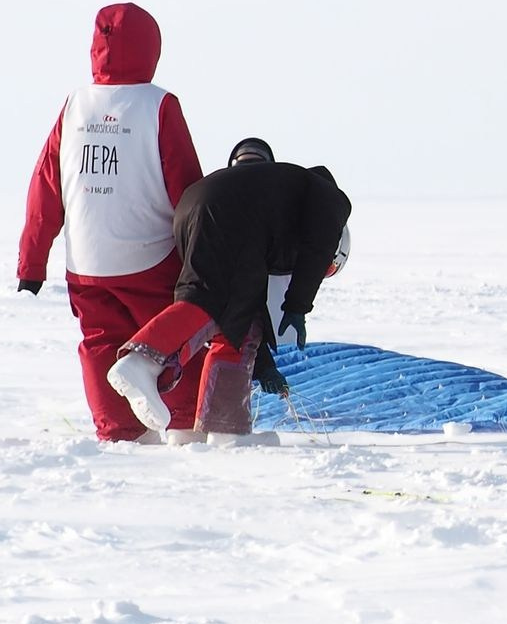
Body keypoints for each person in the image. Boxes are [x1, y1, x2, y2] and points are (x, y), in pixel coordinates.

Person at [16, 3, 206, 441]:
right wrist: (205, 250)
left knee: (100, 343)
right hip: (151, 257)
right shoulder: (160, 105)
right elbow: (186, 185)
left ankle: (120, 434)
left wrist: (31, 263)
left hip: (87, 260)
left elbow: (46, 186)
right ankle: (182, 426)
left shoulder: (73, 105)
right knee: (169, 342)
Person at [106, 137, 352, 440]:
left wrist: (265, 368)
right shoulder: (331, 201)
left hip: (191, 209)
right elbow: (317, 249)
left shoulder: (273, 201)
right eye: (328, 269)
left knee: (236, 320)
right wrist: (298, 306)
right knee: (209, 301)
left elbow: (250, 304)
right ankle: (142, 360)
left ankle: (223, 428)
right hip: (225, 216)